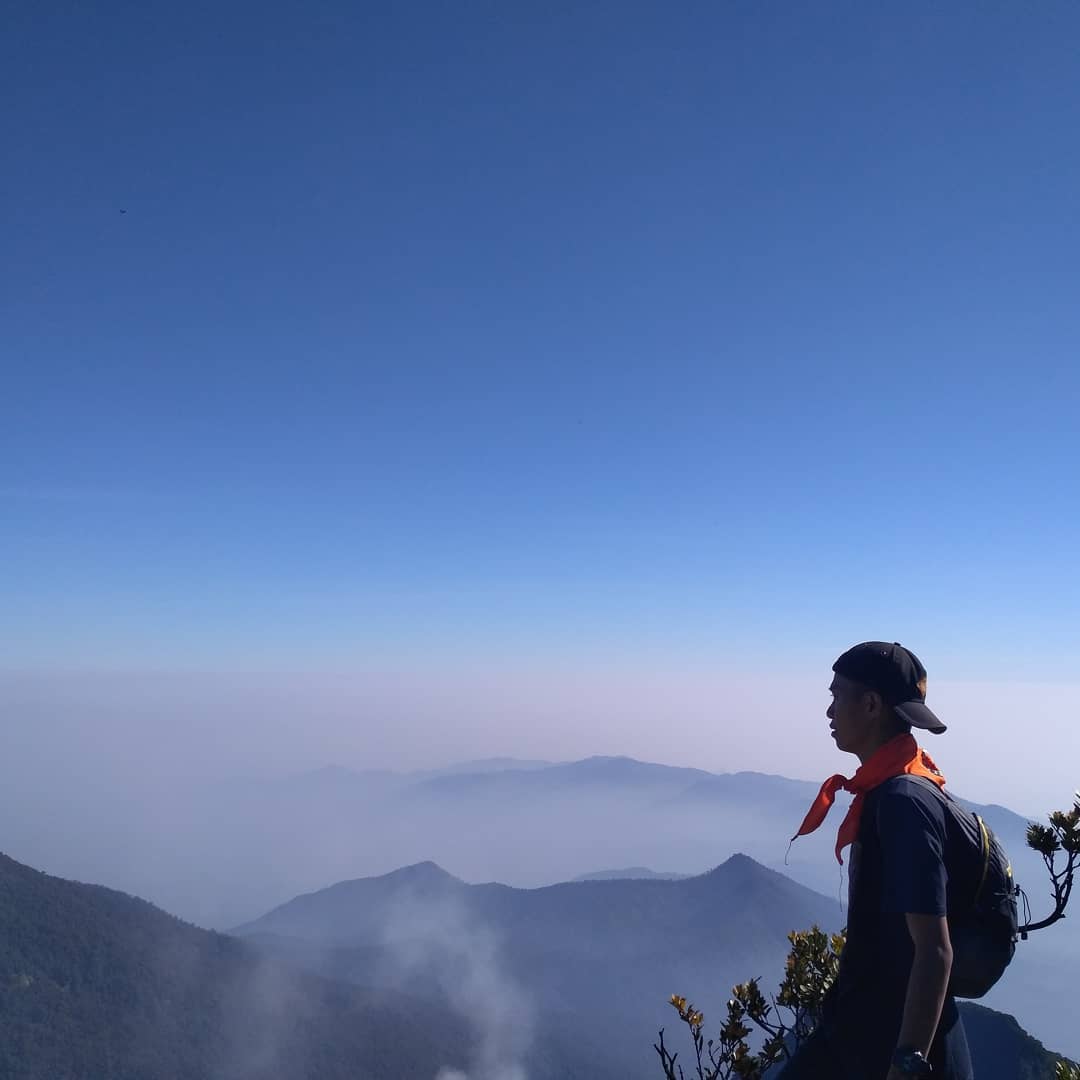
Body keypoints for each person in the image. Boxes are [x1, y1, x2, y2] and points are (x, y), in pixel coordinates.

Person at [777, 642, 976, 1080]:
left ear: (870, 705)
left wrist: (907, 1063)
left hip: (890, 1044)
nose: (829, 711)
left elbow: (935, 949)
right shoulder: (897, 788)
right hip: (858, 1031)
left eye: (836, 696)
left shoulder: (903, 802)